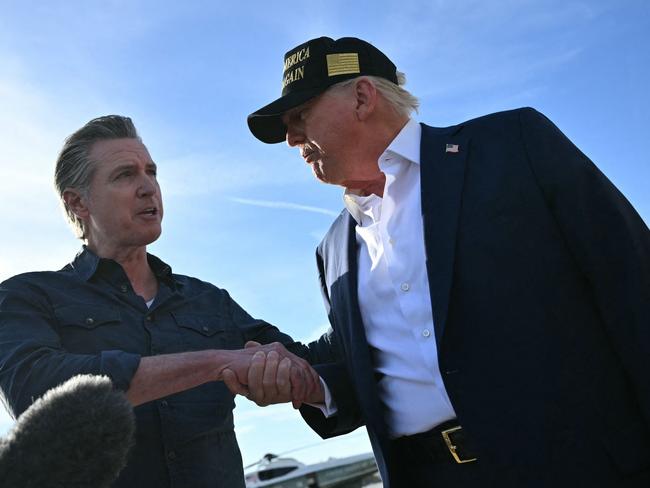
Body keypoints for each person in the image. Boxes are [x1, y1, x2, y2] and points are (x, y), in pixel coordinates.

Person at [245, 36, 650, 487]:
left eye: (299, 116)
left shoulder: (512, 146)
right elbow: (361, 367)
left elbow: (632, 280)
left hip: (579, 466)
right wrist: (306, 384)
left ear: (362, 97)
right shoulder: (332, 249)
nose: (291, 139)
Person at [0, 115, 321, 488]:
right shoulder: (27, 297)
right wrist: (217, 361)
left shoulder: (209, 301)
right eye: (125, 175)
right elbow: (34, 390)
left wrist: (282, 375)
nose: (148, 187)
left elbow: (307, 363)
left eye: (151, 172)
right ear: (78, 203)